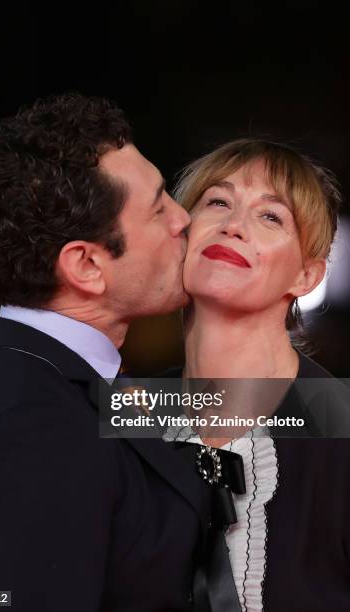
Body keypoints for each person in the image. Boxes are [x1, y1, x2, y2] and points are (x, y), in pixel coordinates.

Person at [0, 93, 214, 611]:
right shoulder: (30, 429)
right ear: (86, 266)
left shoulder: (53, 378)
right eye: (158, 208)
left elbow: (236, 410)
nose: (185, 219)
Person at [172, 139, 350, 611]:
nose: (233, 226)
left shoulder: (342, 421)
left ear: (307, 277)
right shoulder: (124, 410)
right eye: (217, 202)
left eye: (271, 216)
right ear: (179, 233)